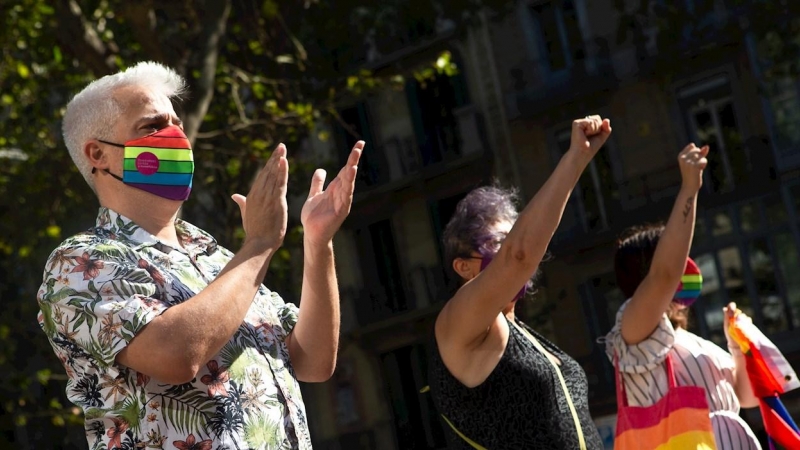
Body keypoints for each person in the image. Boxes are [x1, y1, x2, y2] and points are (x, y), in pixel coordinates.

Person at [36, 61, 363, 449]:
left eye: (177, 123)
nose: (176, 136)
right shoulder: (78, 263)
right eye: (153, 126)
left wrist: (318, 242)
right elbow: (177, 355)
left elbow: (313, 360)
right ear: (98, 154)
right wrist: (259, 245)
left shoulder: (212, 255)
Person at [428, 116, 611, 449]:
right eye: (500, 241)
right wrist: (575, 159)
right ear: (464, 267)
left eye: (516, 233)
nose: (514, 246)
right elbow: (520, 256)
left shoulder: (522, 332)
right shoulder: (458, 325)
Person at [604, 143, 762, 449]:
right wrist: (690, 188)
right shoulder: (634, 331)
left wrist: (736, 343)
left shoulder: (689, 340)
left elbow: (748, 397)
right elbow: (665, 274)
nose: (683, 264)